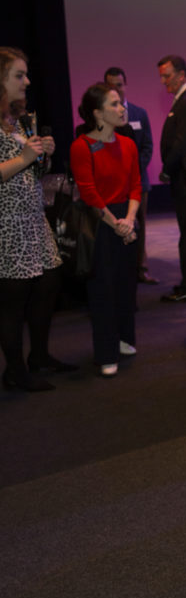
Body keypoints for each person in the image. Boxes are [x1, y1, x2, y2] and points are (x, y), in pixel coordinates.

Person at [0, 47, 72, 391]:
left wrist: (42, 154)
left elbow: (31, 167)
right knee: (13, 300)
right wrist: (26, 156)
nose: (27, 81)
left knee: (49, 283)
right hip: (7, 225)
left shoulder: (17, 118)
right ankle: (14, 371)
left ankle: (39, 356)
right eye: (18, 75)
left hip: (32, 219)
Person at [70, 83, 141, 376]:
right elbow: (89, 194)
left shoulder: (128, 143)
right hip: (100, 222)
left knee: (126, 284)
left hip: (127, 218)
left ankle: (124, 338)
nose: (122, 108)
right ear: (98, 113)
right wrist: (117, 224)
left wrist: (131, 219)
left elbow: (136, 184)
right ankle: (106, 352)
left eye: (120, 102)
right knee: (102, 289)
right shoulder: (81, 146)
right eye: (114, 104)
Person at [103, 66, 157, 284]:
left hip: (137, 182)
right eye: (111, 85)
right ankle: (119, 271)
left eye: (119, 84)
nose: (116, 89)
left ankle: (140, 268)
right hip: (113, 185)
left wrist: (132, 171)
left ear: (125, 85)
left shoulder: (139, 113)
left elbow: (147, 146)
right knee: (114, 224)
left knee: (139, 225)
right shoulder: (104, 115)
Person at [158, 55, 186, 302]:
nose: (164, 81)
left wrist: (166, 168)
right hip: (183, 183)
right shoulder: (184, 100)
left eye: (167, 75)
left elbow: (183, 141)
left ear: (182, 74)